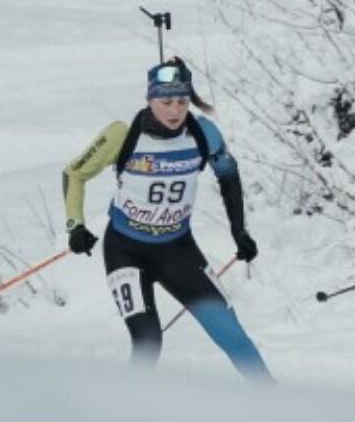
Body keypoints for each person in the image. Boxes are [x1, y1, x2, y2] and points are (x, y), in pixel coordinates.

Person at [62, 57, 271, 380]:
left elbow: (229, 176)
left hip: (178, 250)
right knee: (148, 341)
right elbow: (74, 174)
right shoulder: (122, 135)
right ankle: (124, 417)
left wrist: (239, 232)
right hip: (126, 251)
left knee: (232, 334)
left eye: (183, 101)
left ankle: (276, 409)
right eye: (166, 101)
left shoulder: (204, 133)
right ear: (150, 99)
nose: (175, 111)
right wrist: (75, 226)